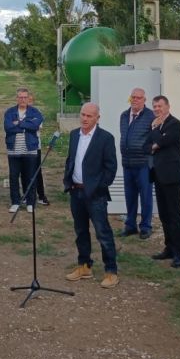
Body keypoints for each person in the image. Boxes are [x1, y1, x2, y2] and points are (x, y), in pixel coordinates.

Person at [63, 102, 119, 289]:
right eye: (83, 115)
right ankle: (84, 266)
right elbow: (70, 160)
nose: (85, 119)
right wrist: (68, 182)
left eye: (89, 116)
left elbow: (111, 168)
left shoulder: (105, 138)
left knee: (103, 233)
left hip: (95, 195)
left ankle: (111, 271)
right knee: (80, 231)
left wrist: (98, 186)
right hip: (76, 191)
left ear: (97, 118)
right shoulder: (74, 135)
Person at [149, 95, 180, 267]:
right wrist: (156, 140)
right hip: (158, 175)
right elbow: (147, 145)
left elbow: (163, 141)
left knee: (173, 214)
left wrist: (156, 137)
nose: (157, 109)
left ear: (168, 107)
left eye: (160, 106)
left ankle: (179, 252)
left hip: (172, 176)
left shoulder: (174, 124)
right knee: (163, 214)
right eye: (154, 106)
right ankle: (169, 248)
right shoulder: (156, 125)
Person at [119, 88, 156, 239]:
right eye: (133, 97)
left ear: (144, 100)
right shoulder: (124, 115)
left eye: (138, 98)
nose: (135, 100)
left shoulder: (150, 116)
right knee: (130, 195)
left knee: (146, 196)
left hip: (143, 163)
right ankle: (130, 225)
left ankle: (146, 226)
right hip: (127, 162)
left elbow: (155, 138)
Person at [3, 87, 43, 214]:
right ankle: (15, 202)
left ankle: (31, 202)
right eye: (20, 97)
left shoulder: (35, 112)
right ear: (17, 98)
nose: (23, 99)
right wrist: (26, 125)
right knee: (14, 177)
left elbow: (35, 125)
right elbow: (8, 128)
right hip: (14, 150)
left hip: (30, 149)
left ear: (28, 98)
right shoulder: (9, 112)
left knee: (30, 177)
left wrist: (19, 123)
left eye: (25, 97)